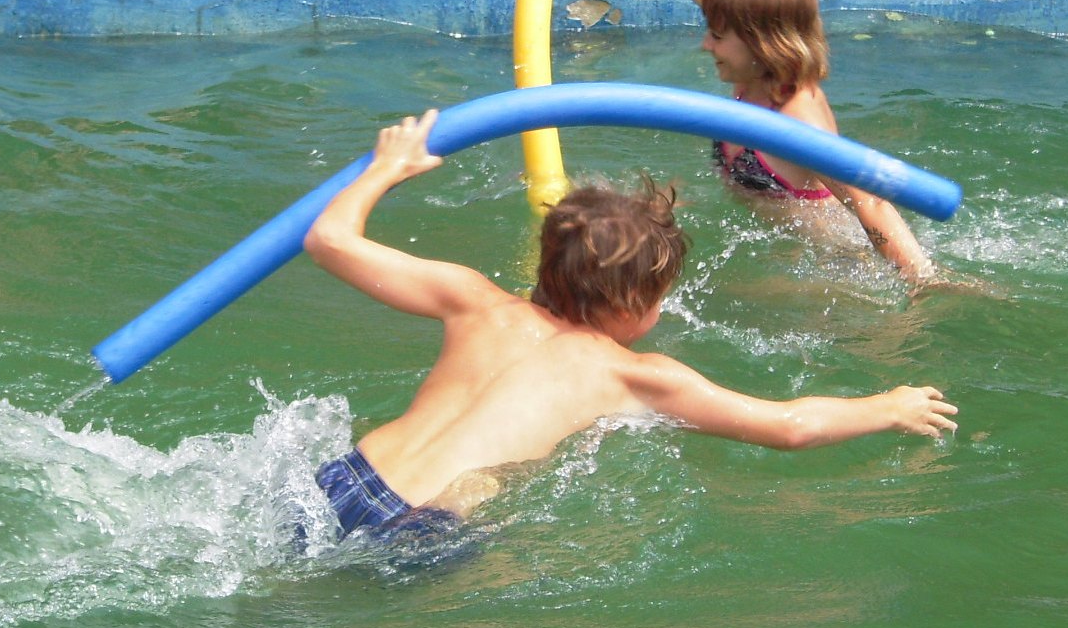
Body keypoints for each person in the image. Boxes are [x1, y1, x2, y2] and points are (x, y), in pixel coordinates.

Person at [300, 109, 957, 542]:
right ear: (629, 304)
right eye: (659, 298)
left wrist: (386, 168)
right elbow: (789, 427)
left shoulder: (473, 300)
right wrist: (887, 407)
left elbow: (327, 239)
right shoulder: (631, 376)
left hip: (341, 480)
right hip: (425, 529)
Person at [617, 0, 933, 280]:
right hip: (773, 240)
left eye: (717, 36)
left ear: (760, 44)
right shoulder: (753, 74)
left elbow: (870, 202)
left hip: (833, 264)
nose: (706, 45)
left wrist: (921, 281)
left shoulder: (798, 118)